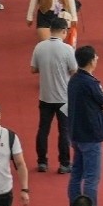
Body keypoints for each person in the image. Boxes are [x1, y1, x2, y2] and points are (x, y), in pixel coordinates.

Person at [65, 46, 103, 206]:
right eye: (96, 57)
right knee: (92, 178)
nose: (97, 59)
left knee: (76, 174)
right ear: (91, 60)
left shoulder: (74, 80)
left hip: (76, 133)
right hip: (90, 135)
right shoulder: (91, 83)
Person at [29, 24, 76, 176]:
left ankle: (42, 162)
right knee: (64, 131)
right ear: (64, 31)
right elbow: (74, 70)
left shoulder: (39, 47)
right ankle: (64, 163)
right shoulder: (68, 49)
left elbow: (33, 69)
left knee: (43, 129)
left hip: (45, 96)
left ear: (50, 31)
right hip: (63, 98)